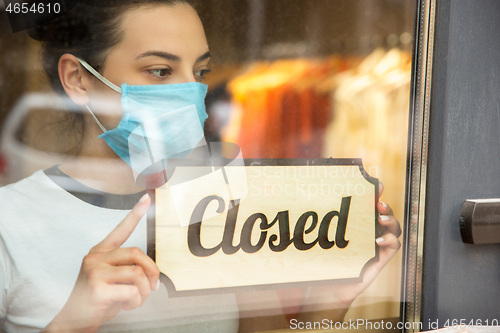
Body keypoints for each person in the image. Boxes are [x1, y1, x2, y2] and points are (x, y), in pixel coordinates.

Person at [0, 0, 402, 332]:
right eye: (160, 71)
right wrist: (72, 322)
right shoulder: (9, 222)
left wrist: (332, 297)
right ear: (78, 79)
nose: (190, 93)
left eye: (200, 72)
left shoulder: (219, 200)